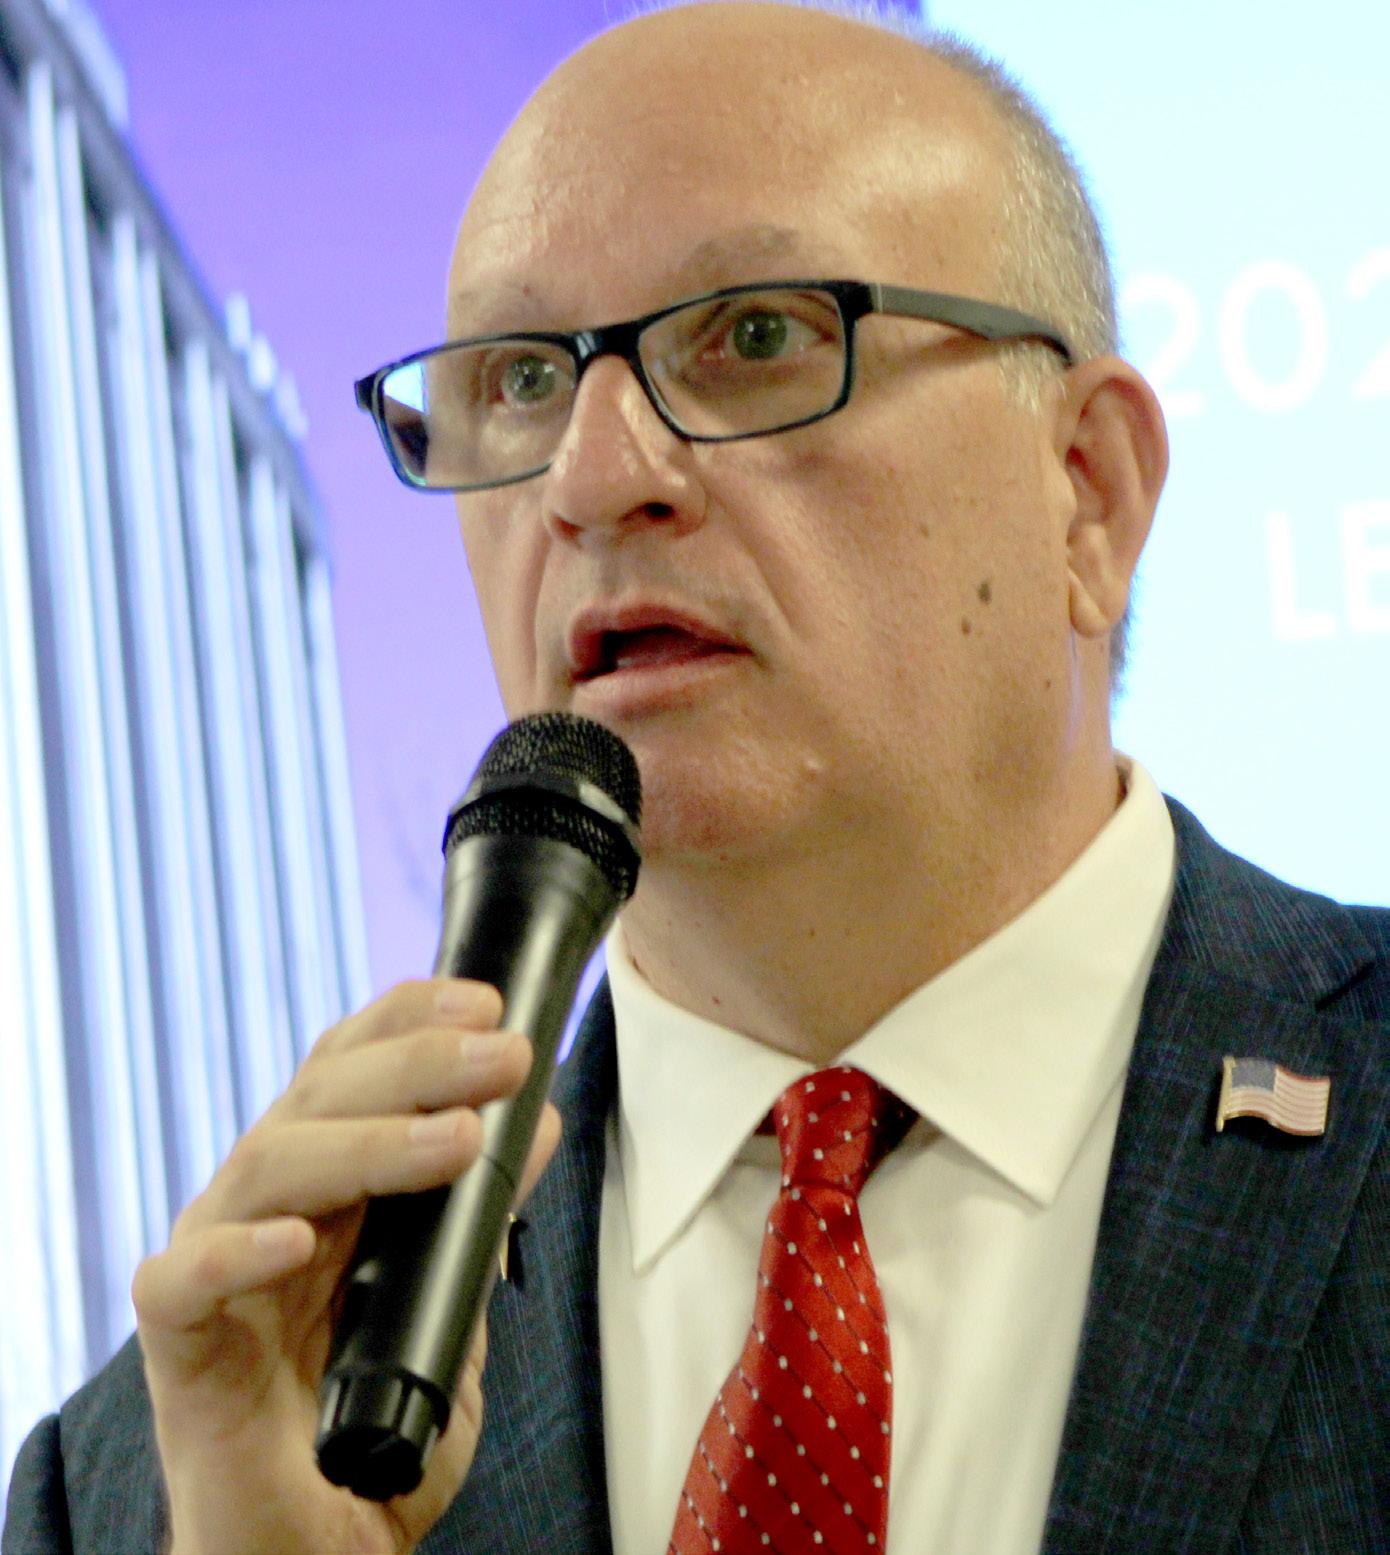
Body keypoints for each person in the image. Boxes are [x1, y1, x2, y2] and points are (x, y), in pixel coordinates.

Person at [5, 2, 1387, 1552]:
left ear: (1085, 493)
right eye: (520, 382)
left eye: (756, 338)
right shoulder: (148, 1484)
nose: (592, 480)